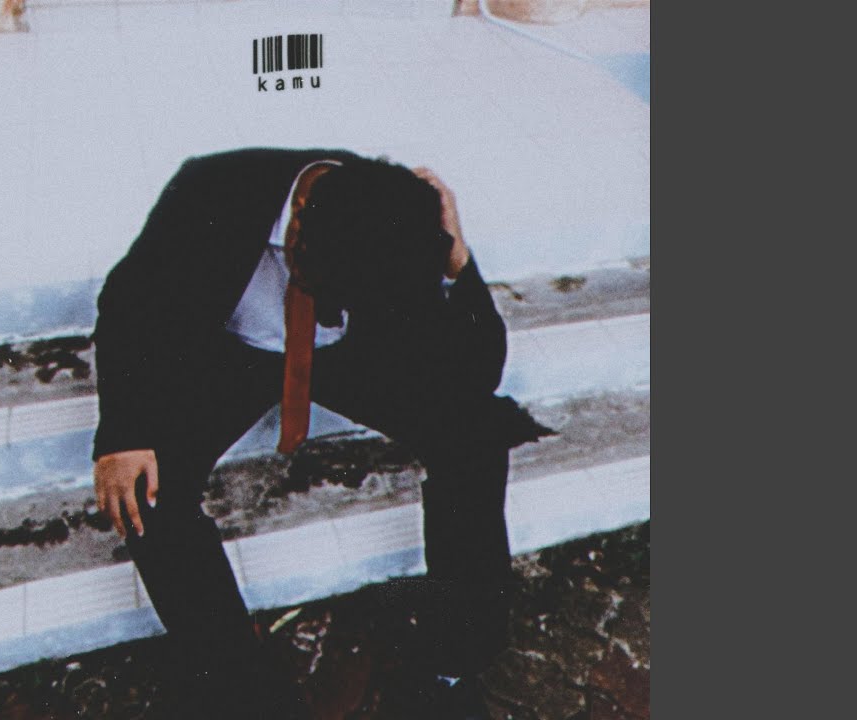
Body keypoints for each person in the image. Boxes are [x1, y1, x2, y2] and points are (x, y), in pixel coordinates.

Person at [91, 147, 550, 718]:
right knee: (144, 494)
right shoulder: (213, 186)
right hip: (225, 355)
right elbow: (129, 299)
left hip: (343, 359)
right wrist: (123, 431)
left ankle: (452, 662)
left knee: (476, 432)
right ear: (298, 235)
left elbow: (477, 372)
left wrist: (456, 259)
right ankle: (243, 690)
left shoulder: (394, 220)